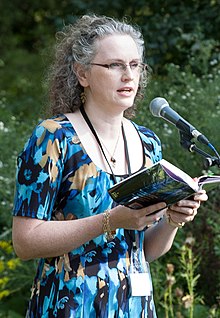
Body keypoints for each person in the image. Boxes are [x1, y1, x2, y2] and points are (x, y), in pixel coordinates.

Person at [12, 14, 208, 318]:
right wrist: (110, 220)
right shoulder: (53, 137)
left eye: (135, 65)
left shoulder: (148, 142)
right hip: (70, 307)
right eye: (115, 65)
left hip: (135, 308)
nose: (129, 75)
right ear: (82, 74)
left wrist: (172, 220)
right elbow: (24, 242)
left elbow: (143, 251)